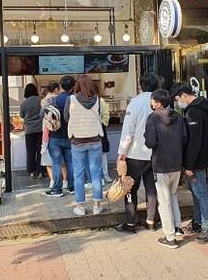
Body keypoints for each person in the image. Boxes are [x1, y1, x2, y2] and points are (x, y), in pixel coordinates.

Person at [171, 83, 208, 244]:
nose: (178, 103)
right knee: (197, 193)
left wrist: (189, 166)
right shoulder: (201, 107)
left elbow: (194, 142)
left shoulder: (194, 111)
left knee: (201, 193)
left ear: (183, 95)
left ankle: (207, 227)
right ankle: (198, 221)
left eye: (177, 99)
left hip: (197, 161)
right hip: (200, 159)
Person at [115, 73, 159, 234]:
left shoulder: (135, 103)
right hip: (155, 153)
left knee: (130, 188)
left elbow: (128, 131)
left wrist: (122, 152)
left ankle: (130, 223)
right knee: (152, 189)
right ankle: (151, 221)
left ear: (140, 85)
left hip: (135, 154)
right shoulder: (160, 102)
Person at [144, 89, 187, 249]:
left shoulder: (153, 118)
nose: (151, 102)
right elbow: (184, 138)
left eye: (152, 100)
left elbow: (150, 142)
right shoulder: (178, 117)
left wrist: (146, 137)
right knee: (173, 195)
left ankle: (170, 238)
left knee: (164, 202)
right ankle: (178, 227)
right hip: (177, 163)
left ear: (158, 103)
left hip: (161, 164)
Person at [65, 75, 107, 216]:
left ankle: (80, 207)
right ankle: (96, 206)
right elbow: (101, 116)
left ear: (78, 85)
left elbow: (66, 117)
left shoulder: (70, 99)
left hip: (77, 141)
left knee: (78, 174)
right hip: (95, 140)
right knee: (96, 173)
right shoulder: (98, 100)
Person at [43, 76, 75, 197]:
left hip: (55, 136)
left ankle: (57, 190)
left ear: (60, 86)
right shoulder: (74, 100)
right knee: (70, 162)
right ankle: (72, 187)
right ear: (73, 87)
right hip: (69, 136)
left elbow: (42, 115)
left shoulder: (53, 100)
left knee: (56, 163)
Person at [40, 81, 64, 188]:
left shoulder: (44, 101)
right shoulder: (61, 99)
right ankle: (65, 182)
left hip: (49, 133)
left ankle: (53, 182)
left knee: (51, 162)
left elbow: (41, 115)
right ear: (56, 89)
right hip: (63, 132)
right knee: (63, 162)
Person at [20, 83, 44, 179]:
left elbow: (21, 115)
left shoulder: (24, 103)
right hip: (41, 129)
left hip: (29, 130)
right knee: (40, 151)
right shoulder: (41, 100)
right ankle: (40, 172)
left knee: (30, 151)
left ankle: (31, 172)